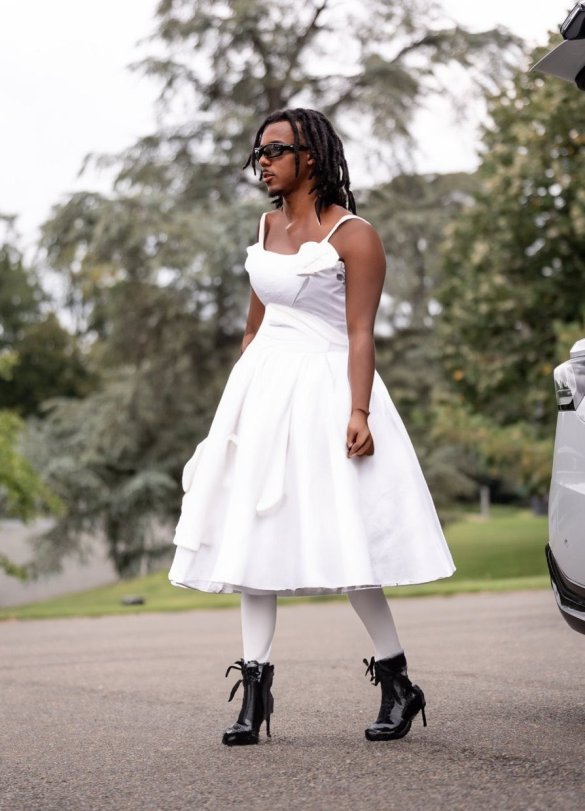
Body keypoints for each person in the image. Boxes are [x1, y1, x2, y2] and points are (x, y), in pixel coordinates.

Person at [168, 107, 455, 746]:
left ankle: (398, 683)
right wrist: (238, 404)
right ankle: (255, 695)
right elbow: (254, 327)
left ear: (312, 157)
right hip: (263, 396)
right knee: (251, 536)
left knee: (347, 538)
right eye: (258, 152)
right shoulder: (267, 225)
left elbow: (360, 333)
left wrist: (359, 411)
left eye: (274, 150)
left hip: (327, 393)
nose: (262, 162)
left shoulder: (355, 235)